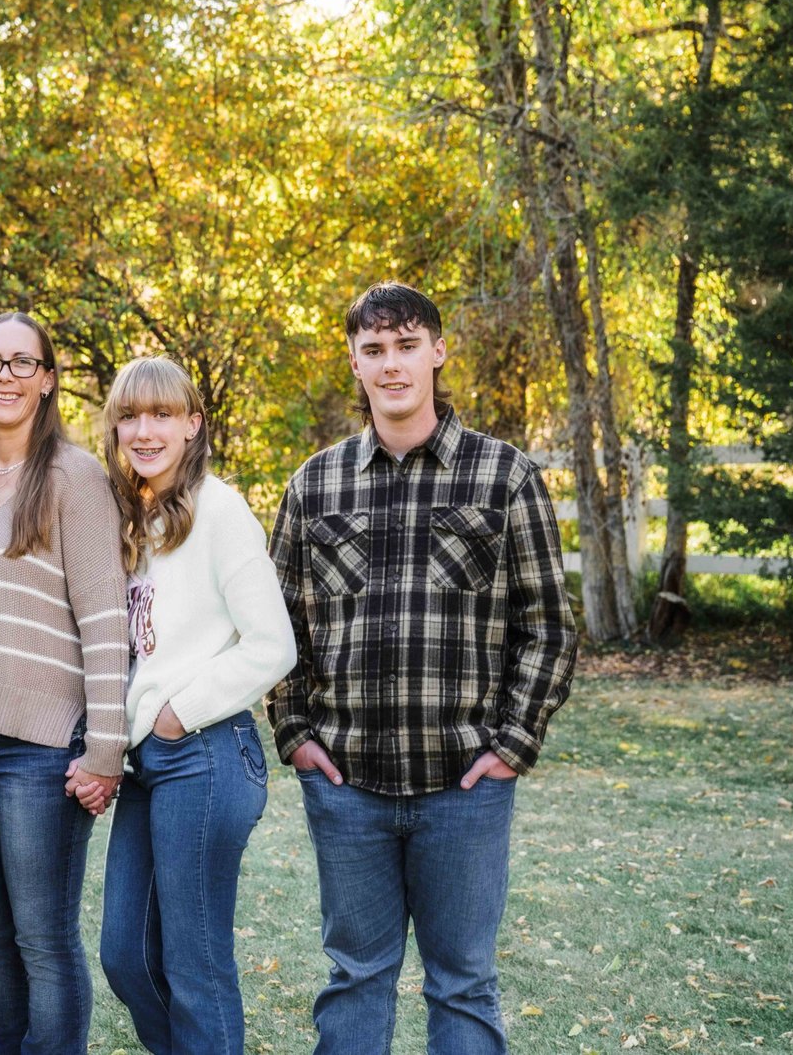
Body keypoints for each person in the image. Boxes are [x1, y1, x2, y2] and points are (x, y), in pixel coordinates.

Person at [268, 281, 578, 1054]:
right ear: (354, 362)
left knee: (463, 982)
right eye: (374, 350)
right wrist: (296, 731)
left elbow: (548, 625)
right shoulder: (315, 484)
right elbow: (279, 629)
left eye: (408, 345)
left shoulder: (505, 477)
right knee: (353, 976)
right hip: (347, 787)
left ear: (439, 351)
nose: (392, 364)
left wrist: (512, 745)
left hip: (464, 788)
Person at [0, 312, 127, 1055]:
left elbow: (105, 616)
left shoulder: (75, 476)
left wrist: (105, 747)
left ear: (48, 379)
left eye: (23, 362)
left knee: (43, 939)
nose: (6, 375)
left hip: (42, 749)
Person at [97, 355, 298, 1055]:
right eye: (129, 415)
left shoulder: (220, 508)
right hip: (147, 764)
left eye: (160, 414)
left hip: (206, 752)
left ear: (192, 424)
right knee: (124, 954)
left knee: (194, 961)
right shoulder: (132, 518)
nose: (143, 429)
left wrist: (180, 708)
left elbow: (273, 644)